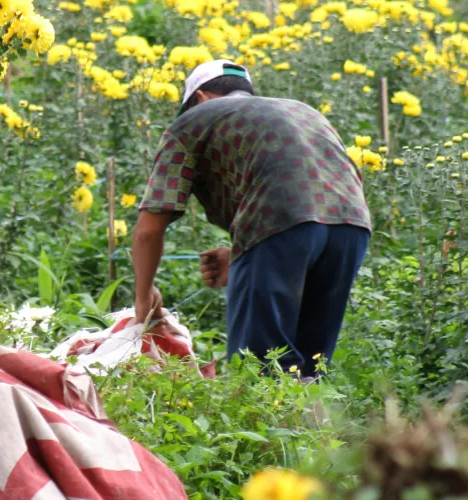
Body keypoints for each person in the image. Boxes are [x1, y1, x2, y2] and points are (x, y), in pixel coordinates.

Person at [131, 59, 372, 378]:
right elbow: (323, 191)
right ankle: (313, 426)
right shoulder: (303, 111)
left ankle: (269, 423)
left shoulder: (193, 121)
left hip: (277, 222)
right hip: (351, 224)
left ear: (200, 98)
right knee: (310, 365)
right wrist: (243, 254)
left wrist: (144, 297)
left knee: (259, 367)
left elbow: (149, 229)